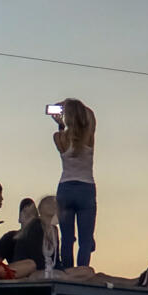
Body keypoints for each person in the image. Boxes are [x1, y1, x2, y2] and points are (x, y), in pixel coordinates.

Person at [10, 196, 148, 286]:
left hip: (53, 272)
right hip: (33, 275)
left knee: (90, 273)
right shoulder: (35, 227)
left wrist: (69, 272)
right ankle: (75, 280)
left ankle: (135, 282)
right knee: (73, 276)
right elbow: (36, 262)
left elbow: (57, 262)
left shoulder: (54, 231)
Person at [51, 98, 97, 269]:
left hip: (65, 189)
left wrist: (60, 122)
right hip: (85, 188)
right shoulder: (88, 136)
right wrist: (74, 105)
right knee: (86, 239)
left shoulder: (58, 137)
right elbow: (91, 115)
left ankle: (68, 272)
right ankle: (82, 271)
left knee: (67, 238)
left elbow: (62, 137)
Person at [0, 198, 36, 264]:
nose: (28, 214)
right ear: (19, 218)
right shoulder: (10, 237)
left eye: (32, 213)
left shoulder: (43, 238)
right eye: (25, 211)